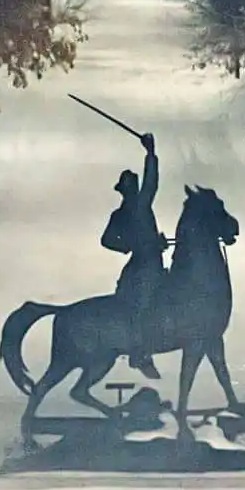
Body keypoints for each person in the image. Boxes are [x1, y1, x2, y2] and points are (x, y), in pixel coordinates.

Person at [100, 131, 167, 378]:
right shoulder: (128, 211)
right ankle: (139, 352)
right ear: (126, 191)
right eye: (132, 187)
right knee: (145, 304)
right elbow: (107, 241)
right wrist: (132, 245)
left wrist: (150, 154)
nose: (137, 189)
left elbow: (152, 181)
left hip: (148, 263)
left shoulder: (136, 207)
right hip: (143, 267)